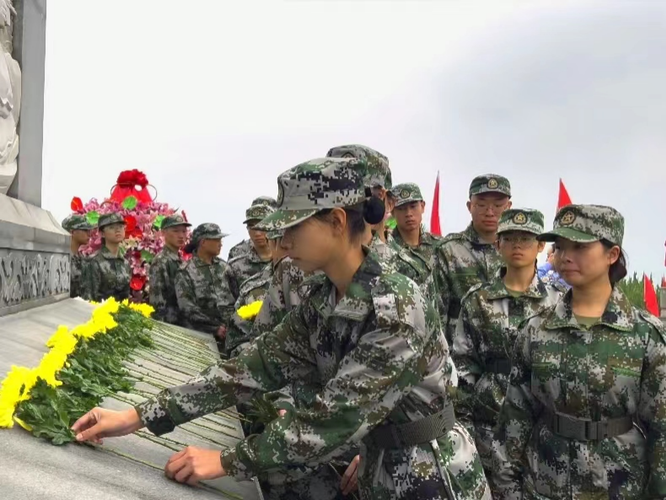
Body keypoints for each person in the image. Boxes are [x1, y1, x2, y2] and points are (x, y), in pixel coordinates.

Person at [72, 157, 490, 500]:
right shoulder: (326, 297)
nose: (282, 240)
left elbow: (332, 419)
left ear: (338, 221)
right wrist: (137, 416)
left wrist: (224, 462)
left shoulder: (394, 307)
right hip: (381, 467)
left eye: (293, 226)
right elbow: (250, 367)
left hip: (432, 477)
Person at [492, 204, 666, 499]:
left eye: (579, 246)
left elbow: (662, 428)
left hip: (620, 487)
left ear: (612, 255)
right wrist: (508, 489)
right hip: (546, 484)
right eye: (559, 246)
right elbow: (515, 419)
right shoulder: (536, 329)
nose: (565, 256)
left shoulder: (644, 334)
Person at [451, 208, 564, 489]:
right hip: (488, 423)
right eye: (510, 238)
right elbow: (463, 367)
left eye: (526, 239)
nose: (517, 245)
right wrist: (463, 429)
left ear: (540, 246)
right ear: (497, 244)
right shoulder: (477, 300)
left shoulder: (559, 303)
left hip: (543, 426)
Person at [435, 174, 512, 345]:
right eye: (482, 204)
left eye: (498, 205)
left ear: (509, 207)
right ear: (470, 206)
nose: (490, 212)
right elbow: (437, 312)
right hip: (460, 352)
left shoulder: (518, 250)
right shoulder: (449, 250)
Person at [218, 203, 274, 348]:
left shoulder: (289, 260)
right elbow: (226, 305)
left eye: (262, 225)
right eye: (252, 227)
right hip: (245, 340)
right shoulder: (236, 266)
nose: (257, 233)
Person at [226, 229, 288, 358]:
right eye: (282, 243)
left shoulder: (321, 283)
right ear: (271, 245)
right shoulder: (252, 290)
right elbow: (236, 339)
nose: (289, 249)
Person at [174, 223, 228, 351]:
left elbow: (237, 298)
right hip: (201, 340)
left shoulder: (225, 267)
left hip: (229, 337)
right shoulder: (186, 271)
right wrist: (215, 328)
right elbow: (187, 308)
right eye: (217, 240)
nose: (221, 244)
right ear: (203, 242)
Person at [148, 214, 191, 325]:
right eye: (176, 231)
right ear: (163, 233)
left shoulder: (181, 260)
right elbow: (157, 300)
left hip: (184, 324)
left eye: (183, 231)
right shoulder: (161, 261)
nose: (181, 235)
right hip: (169, 325)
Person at [80, 212, 131, 302]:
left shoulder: (125, 263)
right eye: (111, 227)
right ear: (102, 233)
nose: (117, 230)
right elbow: (88, 299)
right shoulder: (93, 262)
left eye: (120, 227)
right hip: (101, 314)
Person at [390, 182, 442, 269]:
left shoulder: (439, 246)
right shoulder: (386, 249)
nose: (408, 214)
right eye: (401, 209)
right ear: (392, 212)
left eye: (413, 206)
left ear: (422, 206)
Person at [61, 214, 94, 298]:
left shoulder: (83, 258)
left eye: (89, 231)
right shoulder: (62, 259)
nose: (89, 234)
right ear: (72, 232)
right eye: (85, 230)